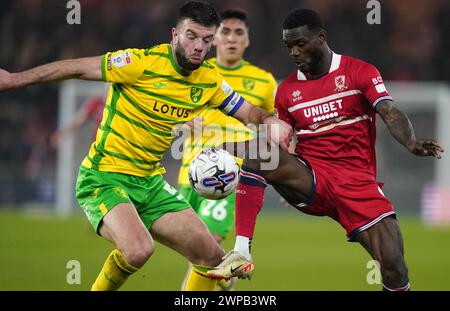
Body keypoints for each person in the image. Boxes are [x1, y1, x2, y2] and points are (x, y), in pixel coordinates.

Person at [0, 1, 291, 291]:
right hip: (104, 176)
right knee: (139, 250)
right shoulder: (140, 63)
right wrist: (15, 79)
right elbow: (76, 67)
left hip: (150, 182)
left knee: (214, 259)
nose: (199, 46)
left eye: (206, 39)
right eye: (191, 36)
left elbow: (247, 111)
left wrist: (268, 120)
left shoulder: (209, 81)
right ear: (175, 34)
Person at [207, 8, 444, 291]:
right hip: (314, 179)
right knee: (259, 154)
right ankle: (241, 253)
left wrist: (412, 143)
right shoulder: (287, 92)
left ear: (321, 37)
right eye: (288, 46)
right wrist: (238, 153)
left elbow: (389, 112)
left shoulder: (359, 72)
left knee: (395, 269)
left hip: (357, 183)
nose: (294, 52)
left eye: (300, 44)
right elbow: (279, 143)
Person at [177, 9, 277, 291]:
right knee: (194, 249)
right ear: (214, 39)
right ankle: (228, 271)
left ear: (247, 40)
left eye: (239, 33)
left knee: (208, 242)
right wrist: (184, 121)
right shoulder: (195, 73)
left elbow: (276, 125)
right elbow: (171, 113)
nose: (232, 38)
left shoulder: (264, 80)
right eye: (226, 32)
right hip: (190, 174)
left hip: (230, 174)